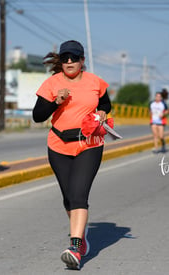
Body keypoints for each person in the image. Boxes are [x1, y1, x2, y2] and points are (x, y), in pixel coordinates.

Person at [32, 40, 111, 270]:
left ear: (82, 60)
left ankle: (75, 246)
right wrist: (56, 102)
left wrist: (103, 113)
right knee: (68, 197)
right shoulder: (52, 83)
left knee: (78, 195)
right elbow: (38, 116)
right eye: (65, 58)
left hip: (89, 143)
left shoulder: (95, 82)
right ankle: (83, 235)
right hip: (58, 145)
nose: (69, 62)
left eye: (74, 58)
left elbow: (106, 103)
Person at [149, 89, 169, 153]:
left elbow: (167, 111)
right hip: (153, 121)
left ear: (161, 97)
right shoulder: (152, 103)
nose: (158, 98)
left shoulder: (163, 103)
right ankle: (156, 149)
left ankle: (163, 145)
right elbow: (149, 110)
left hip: (161, 121)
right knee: (155, 135)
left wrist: (163, 114)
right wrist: (151, 114)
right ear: (155, 97)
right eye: (156, 96)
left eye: (159, 97)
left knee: (161, 136)